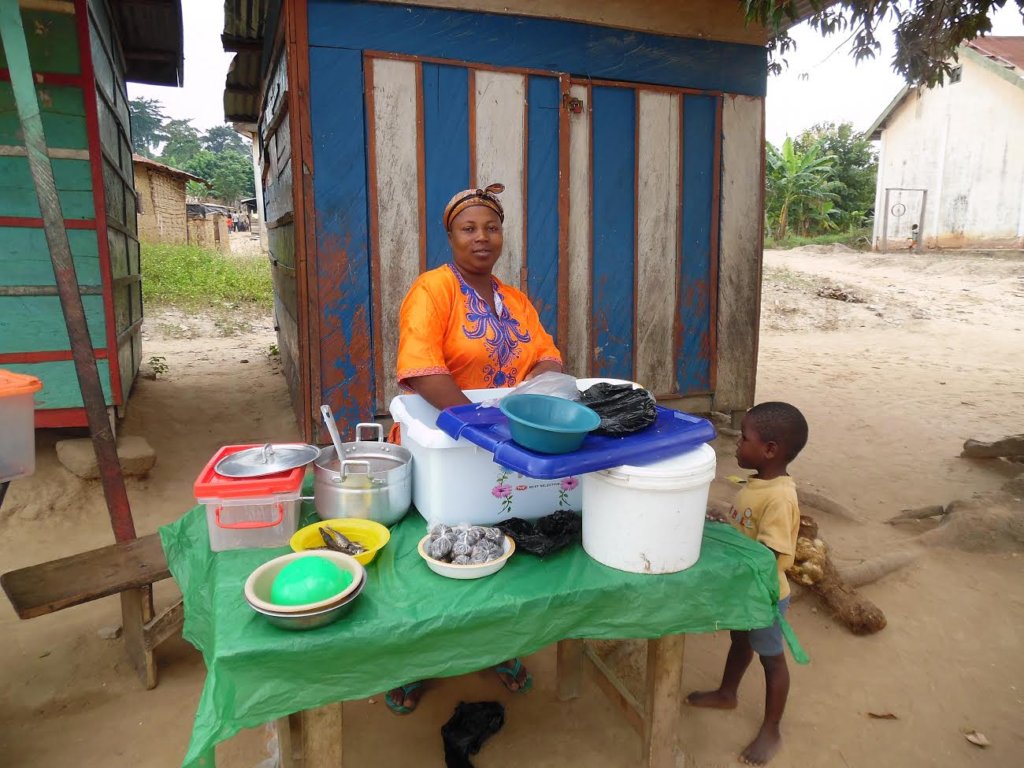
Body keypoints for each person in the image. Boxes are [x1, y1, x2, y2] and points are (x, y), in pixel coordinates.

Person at [385, 183, 563, 715]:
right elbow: (422, 369)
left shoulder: (516, 300)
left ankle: (497, 647)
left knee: (497, 550)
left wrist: (533, 399)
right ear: (451, 236)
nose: (481, 238)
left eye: (491, 227)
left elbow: (547, 358)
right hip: (446, 443)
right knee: (435, 559)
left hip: (500, 446)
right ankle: (415, 662)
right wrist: (480, 422)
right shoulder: (432, 290)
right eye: (469, 228)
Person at [688, 401, 808, 767]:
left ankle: (772, 728)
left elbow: (769, 555)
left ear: (770, 450)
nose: (738, 445)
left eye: (744, 439)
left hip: (766, 597)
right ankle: (728, 693)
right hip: (746, 592)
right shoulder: (759, 484)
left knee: (772, 661)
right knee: (739, 642)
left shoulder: (781, 497)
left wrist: (731, 555)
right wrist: (727, 525)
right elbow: (749, 529)